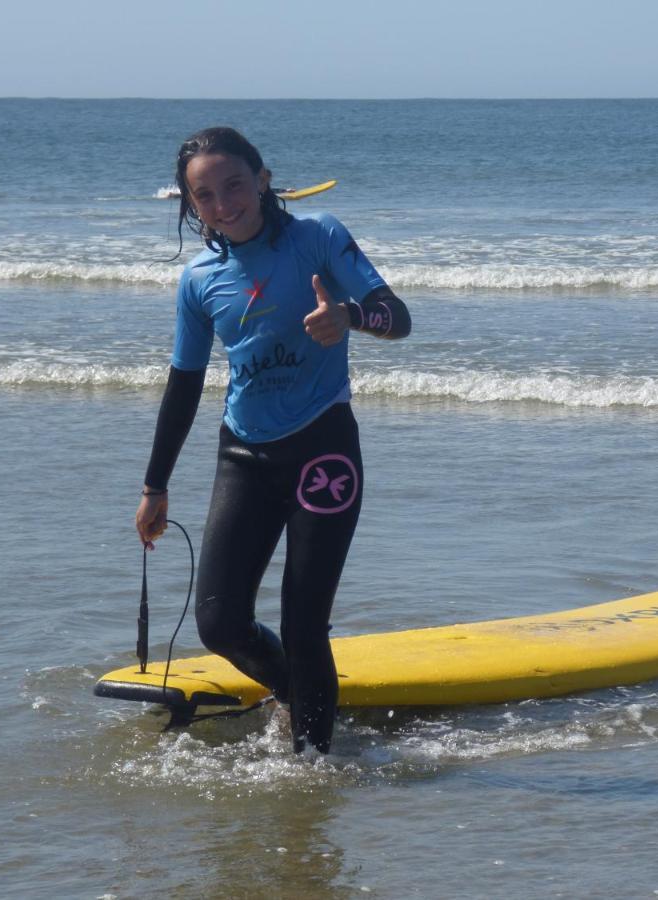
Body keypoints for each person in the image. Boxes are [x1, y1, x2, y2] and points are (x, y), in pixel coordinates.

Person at [134, 126, 411, 754]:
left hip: (324, 451)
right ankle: (301, 694)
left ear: (261, 179)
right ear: (191, 205)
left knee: (303, 621)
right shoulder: (200, 281)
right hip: (246, 455)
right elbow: (183, 384)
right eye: (205, 195)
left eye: (234, 184)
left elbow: (398, 316)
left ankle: (311, 770)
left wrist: (351, 317)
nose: (224, 203)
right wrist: (155, 486)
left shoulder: (318, 239)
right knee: (219, 622)